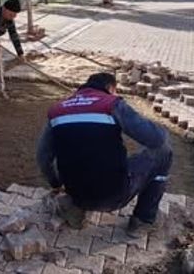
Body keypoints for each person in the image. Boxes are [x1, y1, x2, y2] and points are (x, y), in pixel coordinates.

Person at [36, 73, 172, 237]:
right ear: (110, 88)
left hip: (76, 194)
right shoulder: (111, 104)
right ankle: (143, 220)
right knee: (164, 153)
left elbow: (43, 157)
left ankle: (75, 208)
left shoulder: (57, 110)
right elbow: (156, 139)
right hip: (114, 195)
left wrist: (56, 184)